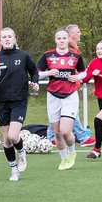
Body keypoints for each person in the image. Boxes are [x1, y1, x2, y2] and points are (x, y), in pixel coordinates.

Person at [0, 27, 39, 182]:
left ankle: (22, 152)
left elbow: (34, 71)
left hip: (19, 101)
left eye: (9, 36)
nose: (7, 39)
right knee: (6, 140)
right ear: (0, 40)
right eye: (4, 37)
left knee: (13, 135)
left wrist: (35, 82)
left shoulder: (23, 55)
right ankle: (13, 170)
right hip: (2, 101)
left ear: (14, 39)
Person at [38, 28, 86, 170]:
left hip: (70, 95)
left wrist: (77, 77)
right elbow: (36, 73)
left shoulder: (75, 57)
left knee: (65, 131)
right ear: (55, 40)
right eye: (59, 38)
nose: (62, 41)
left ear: (68, 40)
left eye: (64, 38)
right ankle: (64, 159)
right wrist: (48, 72)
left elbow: (85, 72)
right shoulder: (48, 55)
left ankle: (72, 153)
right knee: (57, 133)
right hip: (53, 96)